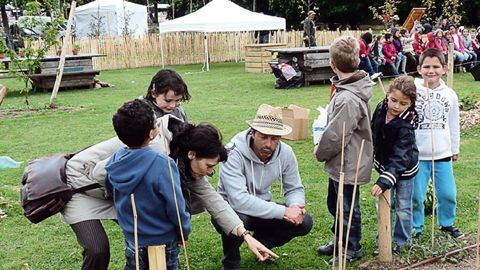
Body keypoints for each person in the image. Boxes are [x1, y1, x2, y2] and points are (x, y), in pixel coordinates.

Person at [60, 69, 276, 270]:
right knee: (98, 250)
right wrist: (179, 229)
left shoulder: (179, 152)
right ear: (192, 154)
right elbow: (100, 172)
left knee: (142, 236)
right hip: (77, 185)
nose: (211, 172)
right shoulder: (156, 151)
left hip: (114, 190)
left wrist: (245, 236)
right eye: (209, 166)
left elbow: (213, 200)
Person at [215, 103, 313, 270]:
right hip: (231, 208)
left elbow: (294, 188)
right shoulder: (232, 153)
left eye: (274, 138)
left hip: (262, 206)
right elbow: (239, 200)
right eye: (264, 136)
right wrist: (284, 211)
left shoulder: (286, 152)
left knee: (305, 222)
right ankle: (231, 262)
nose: (269, 144)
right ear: (253, 133)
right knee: (237, 218)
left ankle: (262, 244)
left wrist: (295, 205)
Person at [105, 99, 191, 270]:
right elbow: (175, 205)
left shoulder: (115, 161)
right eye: (155, 122)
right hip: (164, 240)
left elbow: (109, 190)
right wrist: (184, 231)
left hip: (133, 238)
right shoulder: (162, 164)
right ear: (151, 133)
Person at [315, 36, 373, 265]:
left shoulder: (349, 97)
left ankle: (351, 247)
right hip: (340, 161)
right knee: (335, 203)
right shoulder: (348, 88)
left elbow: (338, 134)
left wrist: (320, 151)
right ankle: (340, 239)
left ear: (332, 65)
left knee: (347, 207)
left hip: (349, 161)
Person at [412, 48, 464, 240]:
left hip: (442, 154)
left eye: (436, 66)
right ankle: (416, 228)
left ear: (444, 69)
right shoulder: (412, 91)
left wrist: (454, 148)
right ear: (419, 68)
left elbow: (453, 123)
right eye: (426, 66)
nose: (430, 71)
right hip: (418, 155)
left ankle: (447, 223)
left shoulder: (450, 94)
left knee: (448, 193)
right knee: (416, 196)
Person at [370, 76, 419, 255]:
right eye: (393, 100)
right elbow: (373, 131)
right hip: (385, 166)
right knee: (382, 205)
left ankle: (402, 241)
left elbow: (400, 157)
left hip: (404, 170)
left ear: (411, 104)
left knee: (403, 206)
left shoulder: (407, 125)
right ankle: (382, 241)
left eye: (403, 103)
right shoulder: (380, 108)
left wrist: (384, 181)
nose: (396, 106)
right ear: (387, 95)